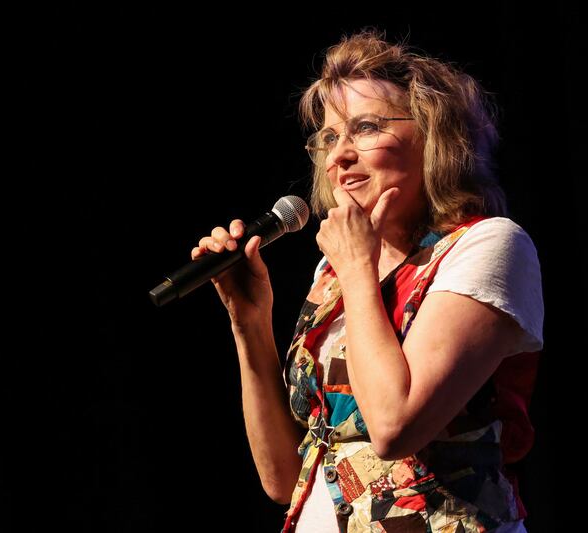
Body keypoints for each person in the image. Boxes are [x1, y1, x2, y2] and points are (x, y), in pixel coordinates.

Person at [190, 29, 544, 533]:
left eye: (366, 128)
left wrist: (359, 268)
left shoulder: (487, 246)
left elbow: (395, 427)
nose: (338, 155)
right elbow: (284, 479)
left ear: (434, 136)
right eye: (331, 137)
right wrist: (250, 322)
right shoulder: (333, 272)